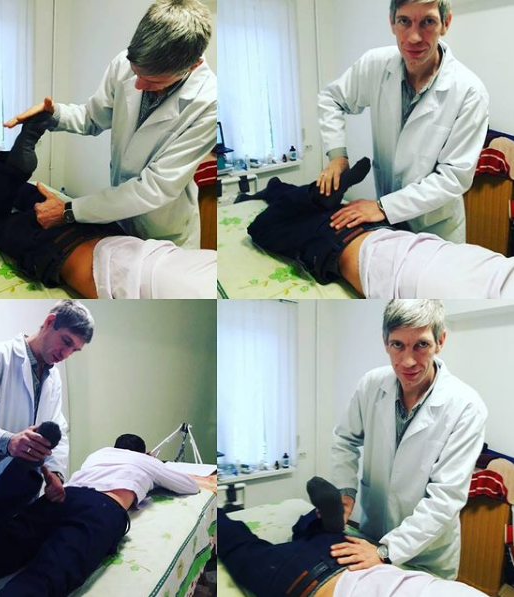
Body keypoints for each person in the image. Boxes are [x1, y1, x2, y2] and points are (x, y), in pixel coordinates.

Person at [4, 0, 216, 249]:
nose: (138, 85)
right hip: (119, 219)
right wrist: (54, 114)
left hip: (163, 229)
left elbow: (154, 187)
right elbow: (92, 118)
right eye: (136, 73)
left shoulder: (208, 103)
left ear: (192, 66)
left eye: (153, 82)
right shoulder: (123, 64)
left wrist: (70, 211)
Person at [0, 112, 216, 299]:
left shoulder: (210, 267)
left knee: (42, 201)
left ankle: (5, 177)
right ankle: (3, 178)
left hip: (109, 230)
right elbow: (93, 113)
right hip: (66, 248)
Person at [330, 300, 487, 579]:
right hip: (372, 533)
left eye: (421, 345)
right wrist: (345, 491)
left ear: (440, 341)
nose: (408, 361)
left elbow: (446, 497)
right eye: (397, 345)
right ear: (385, 342)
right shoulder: (371, 385)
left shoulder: (466, 406)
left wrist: (387, 551)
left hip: (427, 553)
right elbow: (345, 439)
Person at [316, 0, 488, 243]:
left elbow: (453, 177)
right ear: (392, 23)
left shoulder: (469, 92)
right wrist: (337, 156)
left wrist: (383, 207)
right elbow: (331, 98)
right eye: (404, 21)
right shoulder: (375, 65)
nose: (414, 37)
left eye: (428, 22)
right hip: (388, 222)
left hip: (436, 228)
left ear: (446, 23)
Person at [0, 430, 203, 597]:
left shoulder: (99, 454)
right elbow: (190, 486)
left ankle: (22, 472)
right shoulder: (145, 461)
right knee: (49, 574)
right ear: (142, 452)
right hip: (101, 506)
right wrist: (154, 463)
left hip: (62, 497)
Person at [244, 162, 514, 298]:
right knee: (287, 216)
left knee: (264, 226)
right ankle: (301, 194)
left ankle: (306, 194)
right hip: (375, 232)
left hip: (346, 237)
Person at [0, 300, 94, 534]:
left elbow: (58, 429)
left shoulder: (53, 377)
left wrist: (55, 474)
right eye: (66, 342)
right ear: (50, 322)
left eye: (74, 350)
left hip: (25, 491)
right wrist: (8, 442)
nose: (66, 354)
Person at [218, 477, 486, 597]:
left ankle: (323, 521)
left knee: (321, 537)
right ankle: (216, 512)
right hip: (303, 580)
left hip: (353, 556)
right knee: (240, 546)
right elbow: (346, 439)